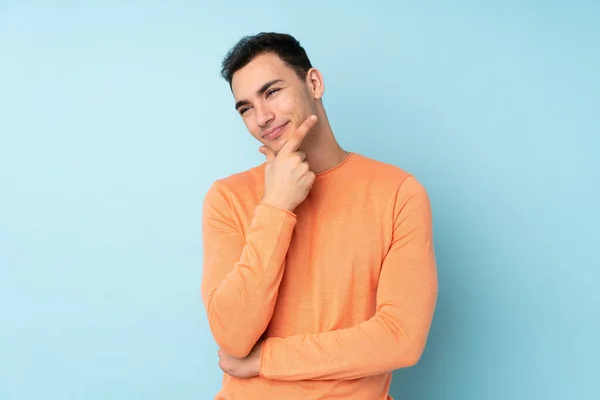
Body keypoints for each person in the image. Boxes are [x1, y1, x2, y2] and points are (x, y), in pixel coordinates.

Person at [201, 32, 438, 400]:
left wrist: (267, 359)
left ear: (314, 82)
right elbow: (232, 336)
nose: (262, 117)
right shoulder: (228, 197)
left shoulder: (397, 192)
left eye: (272, 92)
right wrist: (277, 205)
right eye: (245, 107)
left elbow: (399, 339)